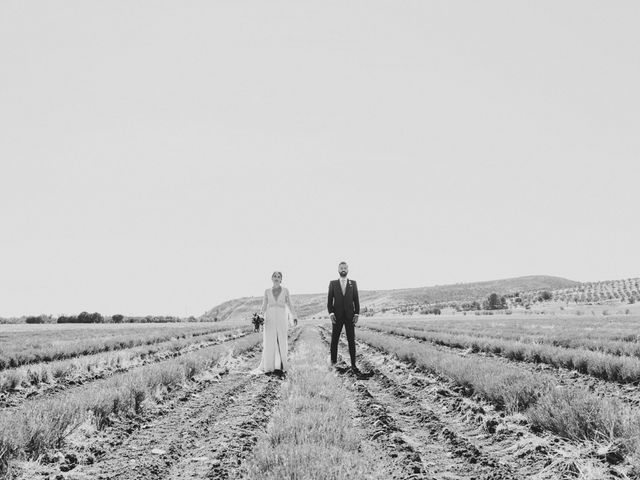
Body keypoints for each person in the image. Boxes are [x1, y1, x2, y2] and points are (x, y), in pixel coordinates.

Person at [255, 271, 297, 374]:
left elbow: (290, 304)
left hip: (282, 317)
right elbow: (264, 306)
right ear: (271, 278)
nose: (276, 278)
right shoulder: (267, 291)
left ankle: (281, 365)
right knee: (270, 340)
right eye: (275, 276)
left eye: (279, 276)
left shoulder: (286, 291)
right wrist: (260, 317)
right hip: (270, 318)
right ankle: (269, 366)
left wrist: (294, 316)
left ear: (281, 279)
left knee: (281, 339)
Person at [327, 261, 360, 373]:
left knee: (351, 340)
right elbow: (329, 301)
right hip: (337, 316)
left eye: (345, 268)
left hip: (350, 316)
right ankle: (333, 364)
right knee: (334, 341)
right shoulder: (333, 283)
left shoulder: (353, 283)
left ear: (348, 270)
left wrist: (356, 313)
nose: (343, 269)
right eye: (341, 268)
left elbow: (356, 299)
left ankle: (353, 365)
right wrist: (331, 313)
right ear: (338, 270)